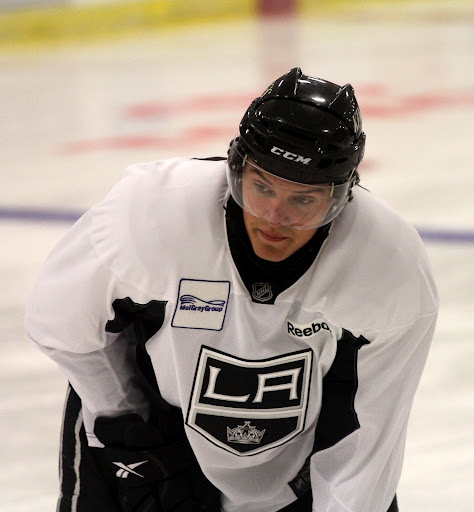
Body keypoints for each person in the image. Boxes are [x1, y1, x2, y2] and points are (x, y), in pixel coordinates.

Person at [25, 67, 438, 512]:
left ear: (342, 197)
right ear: (235, 170)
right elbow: (62, 323)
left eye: (303, 199)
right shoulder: (151, 215)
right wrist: (128, 427)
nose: (275, 217)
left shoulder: (389, 268)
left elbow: (367, 443)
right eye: (261, 187)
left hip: (298, 473)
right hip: (149, 443)